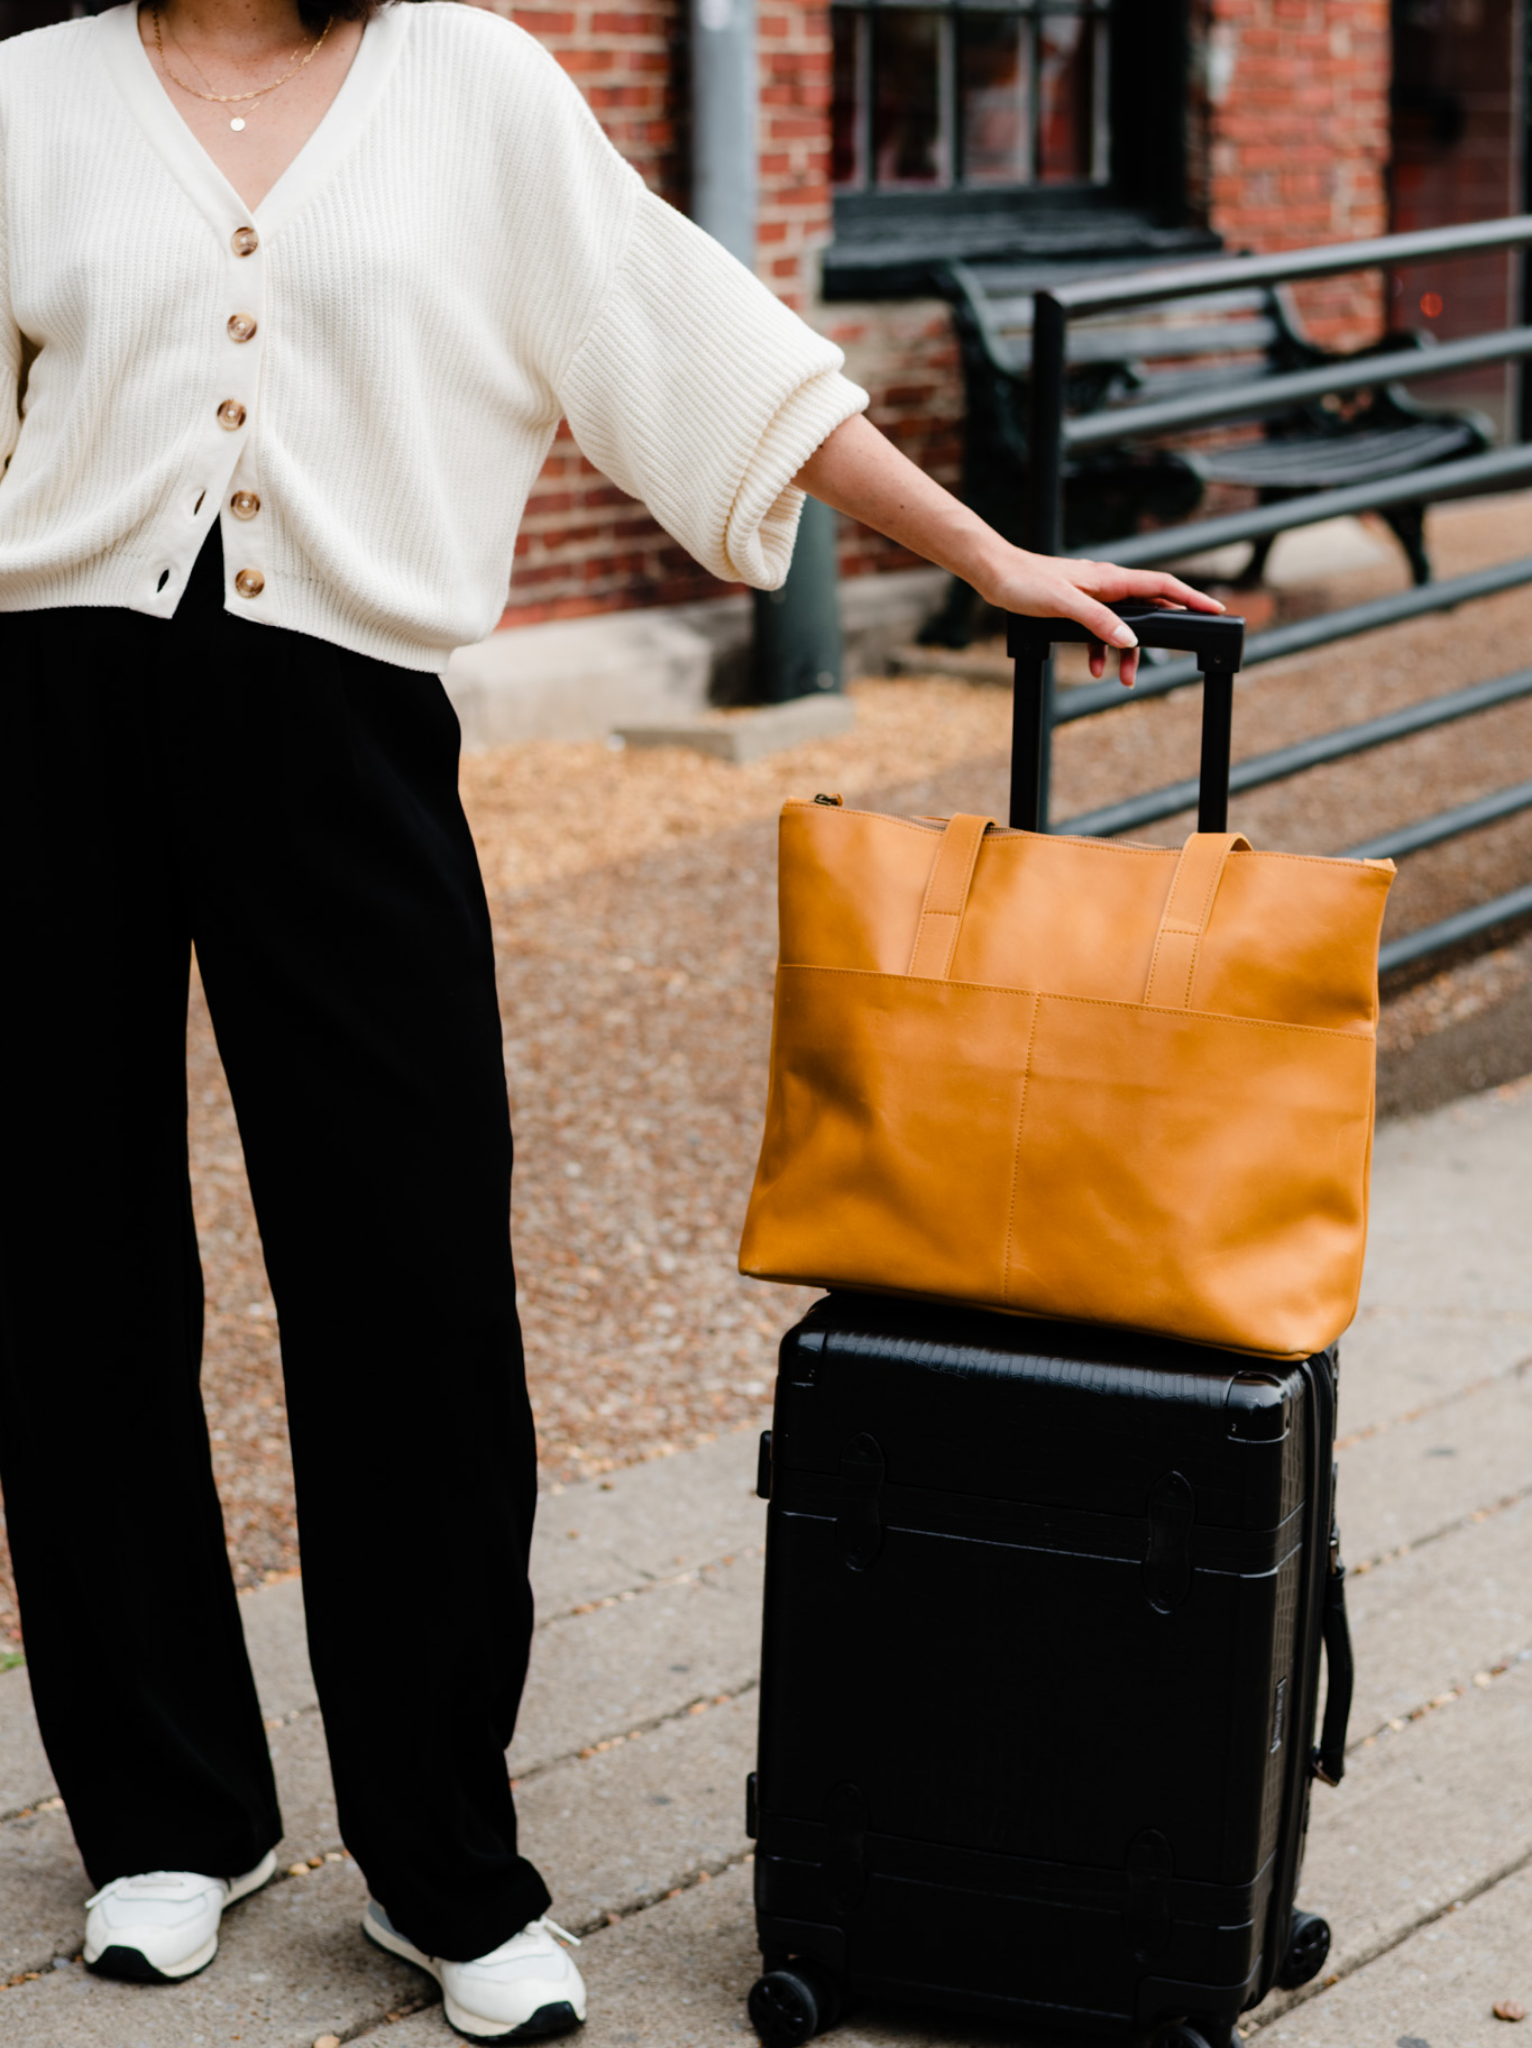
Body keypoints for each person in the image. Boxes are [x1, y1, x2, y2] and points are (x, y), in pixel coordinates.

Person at [0, 0, 1219, 2037]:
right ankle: (165, 1818)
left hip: (344, 731)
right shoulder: (25, 92)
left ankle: (438, 1853)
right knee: (66, 1268)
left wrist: (983, 551)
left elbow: (691, 334)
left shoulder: (471, 84)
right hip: (39, 722)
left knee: (409, 1281)